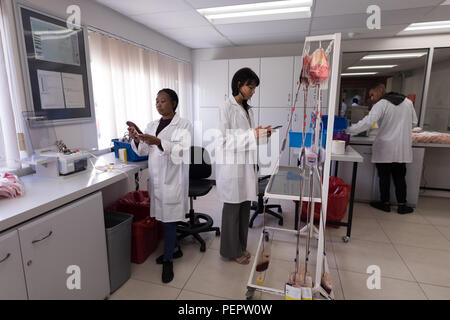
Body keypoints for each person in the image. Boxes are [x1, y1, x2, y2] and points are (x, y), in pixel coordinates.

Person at [128, 88, 192, 283]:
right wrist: (136, 138)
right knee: (163, 218)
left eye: (163, 100)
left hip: (173, 179)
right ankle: (174, 249)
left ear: (173, 103)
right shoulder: (152, 124)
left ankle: (168, 261)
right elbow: (142, 151)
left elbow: (182, 150)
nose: (158, 104)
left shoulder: (184, 124)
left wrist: (159, 141)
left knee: (169, 220)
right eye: (156, 101)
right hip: (157, 180)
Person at [215, 67, 271, 265]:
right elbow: (223, 141)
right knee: (232, 210)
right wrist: (251, 135)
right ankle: (230, 251)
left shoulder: (248, 109)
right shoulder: (226, 108)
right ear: (239, 84)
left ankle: (241, 246)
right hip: (232, 168)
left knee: (244, 207)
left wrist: (262, 135)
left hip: (247, 166)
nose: (253, 91)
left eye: (254, 88)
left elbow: (250, 139)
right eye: (250, 86)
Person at [345, 84, 418, 214]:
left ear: (381, 90)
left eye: (373, 94)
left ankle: (385, 203)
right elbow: (414, 123)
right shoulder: (408, 102)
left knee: (384, 176)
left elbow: (367, 122)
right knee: (400, 177)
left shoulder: (382, 104)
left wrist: (348, 130)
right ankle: (402, 205)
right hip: (402, 147)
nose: (372, 98)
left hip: (386, 146)